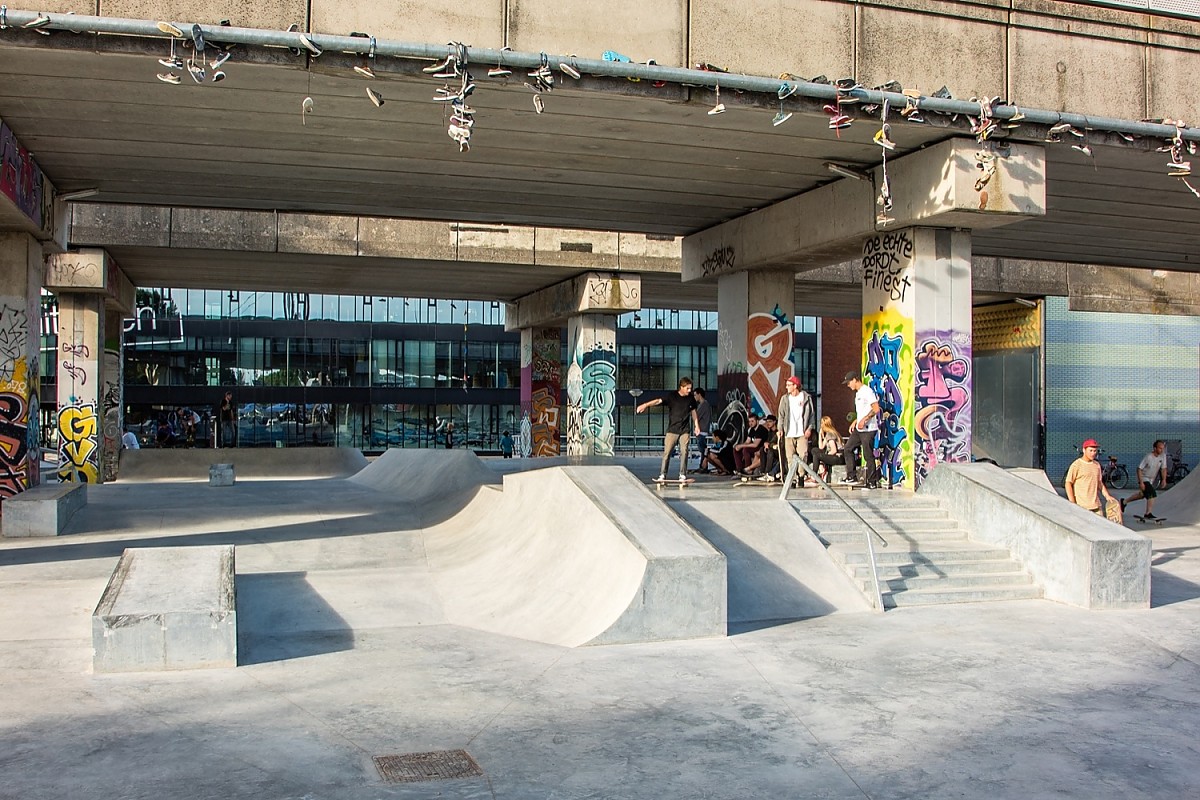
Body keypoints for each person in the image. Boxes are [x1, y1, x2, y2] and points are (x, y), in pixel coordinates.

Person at [636, 376, 700, 482]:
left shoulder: (691, 399)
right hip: (672, 430)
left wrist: (697, 425)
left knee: (684, 451)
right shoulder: (672, 396)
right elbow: (658, 401)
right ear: (681, 387)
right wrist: (645, 405)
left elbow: (693, 412)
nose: (689, 391)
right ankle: (662, 474)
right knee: (667, 452)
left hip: (685, 430)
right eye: (687, 388)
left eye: (690, 388)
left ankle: (682, 474)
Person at [841, 371, 881, 489]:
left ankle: (872, 482)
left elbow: (876, 408)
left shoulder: (867, 391)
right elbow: (862, 411)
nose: (848, 385)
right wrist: (856, 421)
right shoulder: (858, 393)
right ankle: (852, 476)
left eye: (849, 383)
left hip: (868, 429)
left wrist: (865, 419)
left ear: (855, 379)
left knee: (867, 455)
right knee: (848, 448)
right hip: (859, 429)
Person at [776, 375, 814, 486]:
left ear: (795, 386)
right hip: (789, 432)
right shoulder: (785, 399)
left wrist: (809, 428)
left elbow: (811, 415)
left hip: (802, 431)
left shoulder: (806, 397)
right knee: (790, 456)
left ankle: (801, 476)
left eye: (789, 385)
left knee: (803, 455)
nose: (786, 387)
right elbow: (781, 415)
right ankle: (792, 478)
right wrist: (780, 428)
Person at [1065, 438, 1116, 515]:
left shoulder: (1097, 465)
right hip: (1081, 506)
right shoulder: (1076, 465)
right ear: (1084, 450)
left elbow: (1099, 483)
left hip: (1096, 506)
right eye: (1090, 451)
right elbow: (1068, 483)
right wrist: (1072, 502)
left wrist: (1107, 496)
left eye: (1095, 451)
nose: (1093, 453)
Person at [1122, 439, 1169, 519]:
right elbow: (1139, 469)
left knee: (1142, 495)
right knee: (1152, 493)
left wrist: (1164, 479)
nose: (1161, 450)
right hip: (1143, 478)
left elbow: (1163, 469)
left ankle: (1124, 502)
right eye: (1160, 448)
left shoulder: (1162, 456)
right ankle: (1148, 513)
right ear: (1155, 448)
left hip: (1151, 480)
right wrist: (1141, 483)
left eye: (1163, 448)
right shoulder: (1148, 457)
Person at [816, 415, 845, 482]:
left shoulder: (830, 434)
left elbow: (834, 450)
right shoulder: (830, 434)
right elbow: (821, 447)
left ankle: (816, 475)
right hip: (837, 457)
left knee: (817, 456)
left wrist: (826, 455)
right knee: (815, 451)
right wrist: (820, 435)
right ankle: (821, 472)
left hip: (838, 457)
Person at [693, 387, 713, 472]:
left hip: (702, 431)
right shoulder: (704, 404)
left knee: (703, 449)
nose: (694, 397)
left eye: (695, 395)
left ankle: (703, 466)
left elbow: (696, 416)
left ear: (699, 394)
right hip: (702, 430)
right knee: (702, 450)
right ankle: (702, 465)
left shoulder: (704, 405)